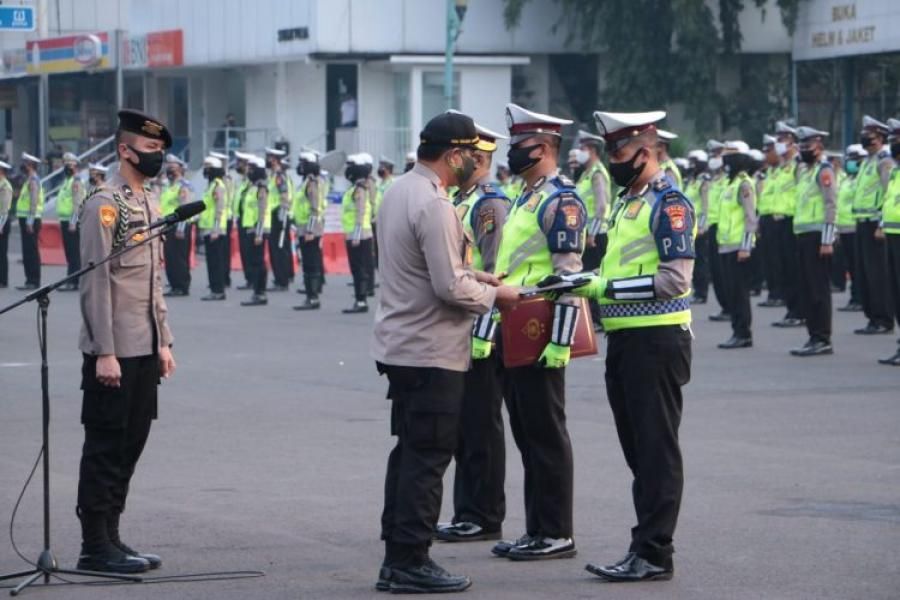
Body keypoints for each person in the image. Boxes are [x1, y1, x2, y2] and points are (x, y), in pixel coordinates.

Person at [371, 111, 518, 594]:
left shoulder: (398, 191)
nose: (473, 165)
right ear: (453, 154)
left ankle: (398, 549)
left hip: (403, 344)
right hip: (431, 348)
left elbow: (426, 269)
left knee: (410, 451)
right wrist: (497, 296)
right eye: (469, 157)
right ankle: (410, 559)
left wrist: (480, 277)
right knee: (429, 456)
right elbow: (447, 285)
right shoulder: (434, 204)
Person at [544, 109, 694, 582]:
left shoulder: (669, 203)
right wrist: (589, 280)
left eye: (621, 151)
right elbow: (619, 269)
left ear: (646, 153)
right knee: (638, 449)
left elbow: (674, 280)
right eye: (609, 151)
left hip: (657, 339)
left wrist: (599, 289)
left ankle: (654, 553)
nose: (612, 160)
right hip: (627, 340)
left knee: (655, 450)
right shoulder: (628, 202)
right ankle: (643, 546)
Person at [76, 109, 176, 574]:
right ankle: (95, 545)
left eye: (160, 151)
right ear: (124, 150)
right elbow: (95, 284)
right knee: (105, 447)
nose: (158, 157)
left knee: (131, 444)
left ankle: (114, 537)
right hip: (113, 352)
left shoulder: (149, 202)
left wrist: (164, 341)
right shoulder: (105, 204)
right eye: (150, 150)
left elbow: (152, 282)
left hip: (143, 347)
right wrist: (104, 352)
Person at [490, 103, 584, 562]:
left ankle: (557, 531)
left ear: (543, 147)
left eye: (519, 146)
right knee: (527, 433)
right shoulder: (526, 196)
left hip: (541, 327)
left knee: (546, 433)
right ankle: (536, 528)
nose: (511, 154)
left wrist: (561, 342)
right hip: (516, 325)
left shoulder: (559, 200)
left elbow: (569, 277)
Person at [436, 122, 511, 543]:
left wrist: (482, 332)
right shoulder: (459, 200)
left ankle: (483, 514)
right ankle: (468, 509)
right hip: (462, 325)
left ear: (479, 159)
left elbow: (495, 273)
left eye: (463, 155)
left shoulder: (489, 205)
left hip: (483, 326)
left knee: (481, 423)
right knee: (465, 425)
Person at [790, 126, 837, 356]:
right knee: (806, 289)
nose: (804, 150)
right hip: (802, 235)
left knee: (818, 289)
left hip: (818, 237)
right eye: (801, 146)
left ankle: (823, 337)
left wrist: (827, 240)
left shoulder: (824, 171)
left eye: (808, 146)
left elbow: (831, 206)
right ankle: (813, 335)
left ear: (819, 146)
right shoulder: (804, 171)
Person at [853, 115, 895, 335]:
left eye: (868, 134)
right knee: (865, 273)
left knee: (878, 274)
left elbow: (889, 194)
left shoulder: (884, 161)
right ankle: (872, 317)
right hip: (861, 222)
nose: (864, 138)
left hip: (875, 225)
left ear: (879, 137)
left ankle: (883, 318)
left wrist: (881, 223)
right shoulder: (867, 162)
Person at [716, 141, 758, 349]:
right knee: (731, 291)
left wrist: (745, 247)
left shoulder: (744, 184)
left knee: (739, 293)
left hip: (738, 248)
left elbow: (750, 218)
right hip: (725, 245)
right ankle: (736, 330)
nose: (726, 161)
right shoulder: (729, 184)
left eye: (730, 156)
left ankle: (743, 333)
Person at [771, 121, 806, 329]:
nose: (779, 143)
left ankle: (799, 311)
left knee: (795, 269)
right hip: (779, 221)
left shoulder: (797, 165)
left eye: (782, 139)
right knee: (784, 268)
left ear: (792, 141)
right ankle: (791, 309)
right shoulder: (781, 168)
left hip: (792, 221)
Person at [877, 119, 900, 365]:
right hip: (893, 236)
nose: (895, 144)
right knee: (896, 291)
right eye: (892, 139)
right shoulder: (894, 171)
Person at [292, 151, 327, 310]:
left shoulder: (312, 183)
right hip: (303, 228)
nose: (300, 166)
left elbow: (315, 209)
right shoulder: (305, 182)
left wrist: (311, 231)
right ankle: (309, 295)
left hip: (309, 230)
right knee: (306, 263)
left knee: (311, 263)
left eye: (303, 163)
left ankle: (313, 297)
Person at [342, 153, 374, 313]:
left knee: (359, 268)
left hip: (359, 236)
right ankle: (359, 298)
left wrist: (356, 235)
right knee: (356, 268)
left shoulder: (360, 189)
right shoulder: (355, 188)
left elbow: (360, 212)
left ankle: (361, 301)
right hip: (355, 234)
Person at [836, 145, 866, 312]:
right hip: (844, 228)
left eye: (855, 159)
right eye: (849, 159)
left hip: (856, 227)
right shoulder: (846, 180)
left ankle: (860, 298)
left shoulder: (860, 180)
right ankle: (854, 297)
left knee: (858, 266)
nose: (851, 162)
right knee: (850, 265)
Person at [756, 134, 785, 308]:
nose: (766, 155)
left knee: (779, 260)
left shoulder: (784, 170)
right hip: (766, 217)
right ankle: (773, 293)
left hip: (779, 218)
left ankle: (780, 293)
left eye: (769, 151)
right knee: (769, 259)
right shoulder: (770, 173)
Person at [240, 155, 272, 307]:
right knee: (254, 261)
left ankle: (260, 293)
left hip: (258, 229)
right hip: (250, 228)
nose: (249, 171)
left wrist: (259, 233)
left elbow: (262, 211)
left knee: (258, 262)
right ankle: (257, 292)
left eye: (252, 169)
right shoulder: (252, 187)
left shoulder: (261, 188)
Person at [160, 155, 194, 297]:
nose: (169, 170)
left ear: (180, 169)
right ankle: (174, 285)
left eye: (173, 168)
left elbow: (184, 208)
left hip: (179, 226)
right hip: (168, 225)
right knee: (170, 257)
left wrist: (180, 228)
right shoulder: (169, 186)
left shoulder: (183, 186)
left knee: (179, 257)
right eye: (168, 167)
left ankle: (182, 286)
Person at [705, 140, 731, 321]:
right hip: (712, 228)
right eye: (712, 154)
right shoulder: (713, 181)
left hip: (725, 230)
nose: (714, 158)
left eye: (718, 154)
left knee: (724, 272)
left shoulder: (729, 180)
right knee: (715, 271)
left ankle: (730, 306)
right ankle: (724, 306)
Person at [198, 156, 228, 301]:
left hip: (215, 229)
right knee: (211, 261)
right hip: (208, 228)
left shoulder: (217, 185)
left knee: (216, 261)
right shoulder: (211, 185)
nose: (206, 170)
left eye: (208, 167)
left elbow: (219, 208)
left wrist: (215, 229)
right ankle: (214, 288)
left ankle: (218, 290)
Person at [265, 147, 294, 292]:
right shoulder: (273, 175)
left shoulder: (279, 176)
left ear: (275, 160)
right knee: (275, 248)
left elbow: (284, 194)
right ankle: (280, 278)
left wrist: (283, 213)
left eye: (270, 157)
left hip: (278, 214)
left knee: (279, 248)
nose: (268, 160)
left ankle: (282, 281)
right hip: (274, 214)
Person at [55, 152, 85, 291]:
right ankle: (71, 279)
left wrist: (73, 222)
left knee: (73, 253)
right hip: (66, 221)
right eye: (65, 164)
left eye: (68, 165)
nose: (66, 167)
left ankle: (73, 281)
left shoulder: (76, 182)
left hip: (72, 222)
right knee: (69, 252)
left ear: (75, 166)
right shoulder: (68, 181)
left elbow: (77, 204)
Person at [16, 152, 44, 290]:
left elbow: (33, 202)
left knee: (31, 251)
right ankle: (29, 280)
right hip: (26, 219)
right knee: (27, 251)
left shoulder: (33, 180)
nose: (23, 165)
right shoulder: (29, 179)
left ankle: (34, 280)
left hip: (30, 220)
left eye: (25, 163)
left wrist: (30, 220)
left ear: (30, 165)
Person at [685, 150, 710, 303]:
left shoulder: (704, 181)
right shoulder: (692, 181)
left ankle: (702, 292)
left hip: (700, 228)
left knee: (701, 261)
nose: (692, 165)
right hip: (690, 226)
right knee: (694, 261)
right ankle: (697, 290)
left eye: (695, 162)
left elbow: (705, 206)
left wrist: (701, 226)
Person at [0, 159, 11, 288]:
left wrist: (1, 225)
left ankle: (3, 280)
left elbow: (5, 208)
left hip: (2, 221)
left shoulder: (5, 187)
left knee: (2, 252)